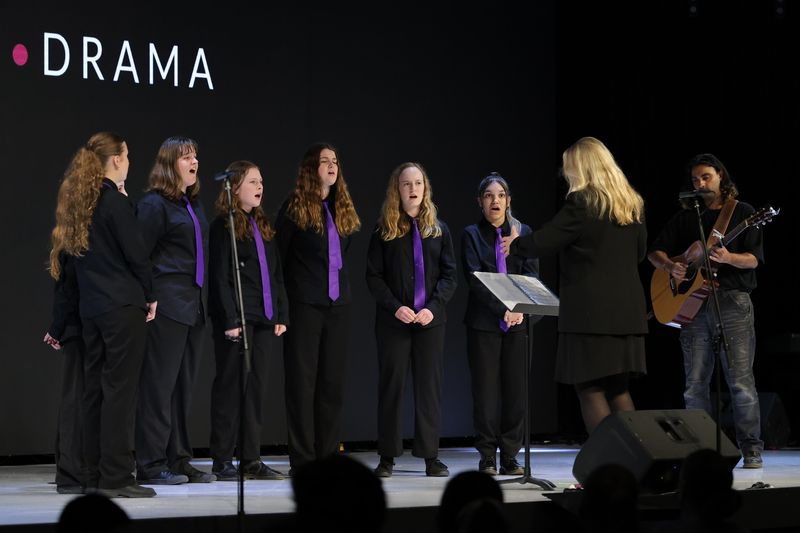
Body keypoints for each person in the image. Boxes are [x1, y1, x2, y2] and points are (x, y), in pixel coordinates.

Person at [503, 136, 648, 434]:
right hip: (627, 314)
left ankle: (607, 458)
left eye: (569, 167)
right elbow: (640, 253)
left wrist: (516, 244)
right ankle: (635, 458)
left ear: (582, 168)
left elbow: (547, 239)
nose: (566, 173)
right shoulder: (632, 204)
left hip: (591, 316)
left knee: (590, 388)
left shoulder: (583, 202)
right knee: (618, 389)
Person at [51, 132, 156, 498]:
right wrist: (151, 294)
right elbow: (137, 255)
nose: (129, 162)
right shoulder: (114, 203)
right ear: (116, 160)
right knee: (120, 393)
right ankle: (116, 477)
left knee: (94, 392)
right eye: (127, 156)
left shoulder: (83, 204)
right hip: (122, 308)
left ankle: (92, 474)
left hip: (92, 311)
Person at [647, 153, 764, 469]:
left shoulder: (743, 212)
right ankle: (702, 451)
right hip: (693, 308)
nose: (700, 184)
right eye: (695, 179)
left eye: (706, 177)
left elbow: (753, 259)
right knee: (695, 383)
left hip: (732, 303)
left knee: (740, 380)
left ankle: (751, 449)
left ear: (721, 176)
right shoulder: (685, 217)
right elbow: (654, 253)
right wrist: (671, 266)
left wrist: (728, 258)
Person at [366, 162, 457, 478]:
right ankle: (387, 457)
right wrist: (395, 307)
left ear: (425, 188)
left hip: (430, 322)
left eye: (418, 183)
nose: (413, 188)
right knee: (391, 387)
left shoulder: (439, 230)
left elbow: (449, 276)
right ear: (398, 189)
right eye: (407, 184)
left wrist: (433, 307)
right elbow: (374, 276)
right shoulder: (384, 229)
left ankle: (430, 456)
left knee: (429, 388)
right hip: (394, 323)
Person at [275, 142, 361, 472]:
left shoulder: (341, 207)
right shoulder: (294, 208)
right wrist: (283, 307)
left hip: (338, 306)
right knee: (302, 384)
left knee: (332, 385)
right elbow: (279, 259)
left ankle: (327, 458)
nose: (332, 166)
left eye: (335, 161)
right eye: (324, 161)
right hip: (305, 305)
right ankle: (302, 459)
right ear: (311, 168)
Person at [134, 136, 214, 484]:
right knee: (158, 387)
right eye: (186, 157)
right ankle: (150, 464)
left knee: (182, 388)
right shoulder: (154, 204)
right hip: (166, 304)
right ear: (169, 164)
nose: (194, 161)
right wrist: (149, 296)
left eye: (195, 156)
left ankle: (178, 458)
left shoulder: (191, 204)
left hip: (192, 305)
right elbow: (139, 254)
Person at [208, 161, 288, 481]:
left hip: (263, 317)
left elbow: (276, 273)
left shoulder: (263, 226)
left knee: (255, 390)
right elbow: (219, 276)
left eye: (261, 181)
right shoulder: (223, 225)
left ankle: (251, 458)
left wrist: (280, 313)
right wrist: (230, 318)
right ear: (236, 186)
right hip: (237, 318)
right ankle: (222, 459)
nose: (260, 187)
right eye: (253, 181)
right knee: (231, 388)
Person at [461, 172, 539, 476]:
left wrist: (518, 309)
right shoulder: (471, 234)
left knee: (516, 393)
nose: (495, 201)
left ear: (508, 201)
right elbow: (475, 279)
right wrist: (502, 308)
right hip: (484, 323)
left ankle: (510, 456)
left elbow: (531, 275)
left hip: (518, 324)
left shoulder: (523, 232)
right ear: (480, 202)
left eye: (501, 195)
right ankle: (486, 456)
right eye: (489, 196)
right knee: (485, 393)